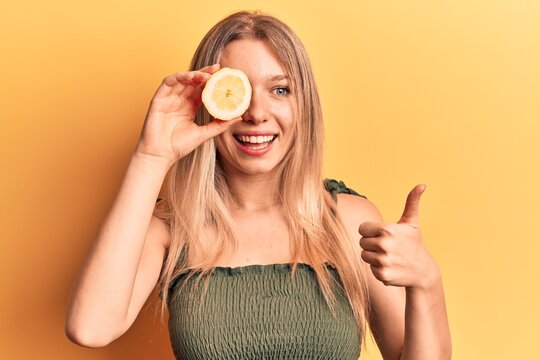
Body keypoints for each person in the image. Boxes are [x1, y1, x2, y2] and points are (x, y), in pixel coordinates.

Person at [65, 10, 451, 359]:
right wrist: (151, 156)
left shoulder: (348, 219)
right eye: (238, 92)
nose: (257, 114)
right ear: (207, 101)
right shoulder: (172, 228)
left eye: (280, 90)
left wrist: (426, 282)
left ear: (305, 106)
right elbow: (91, 328)